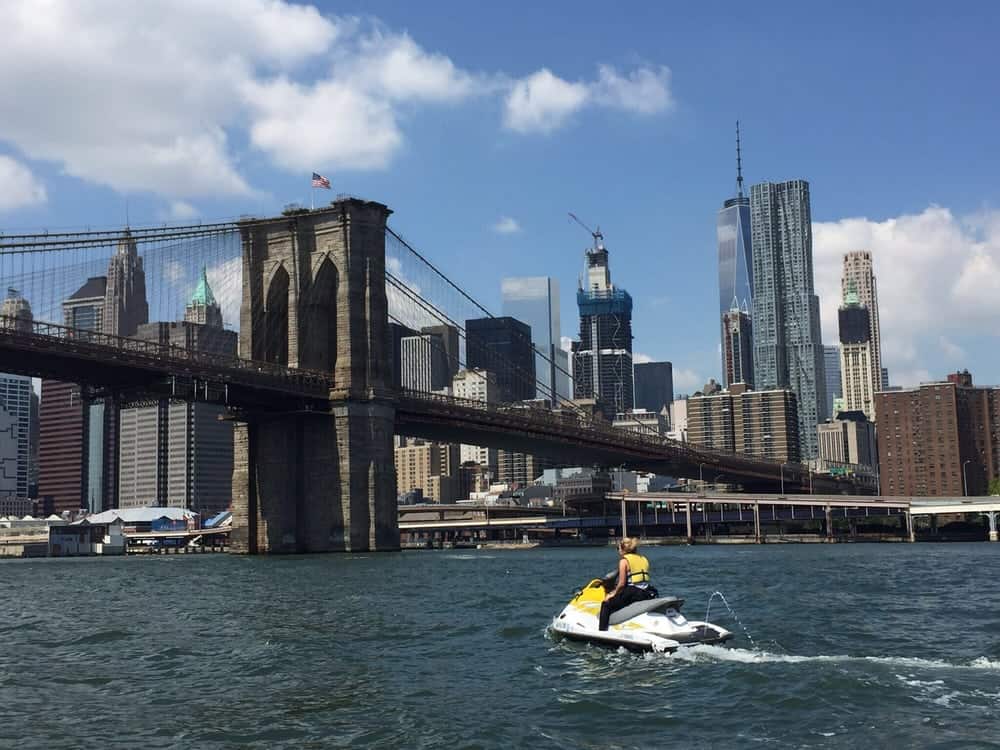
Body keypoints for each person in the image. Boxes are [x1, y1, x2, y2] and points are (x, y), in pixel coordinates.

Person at [598, 537, 657, 631]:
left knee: (606, 603)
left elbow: (621, 584)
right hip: (646, 592)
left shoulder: (624, 561)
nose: (618, 551)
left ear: (622, 549)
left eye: (618, 548)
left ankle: (602, 631)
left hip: (632, 593)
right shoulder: (643, 559)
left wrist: (611, 594)